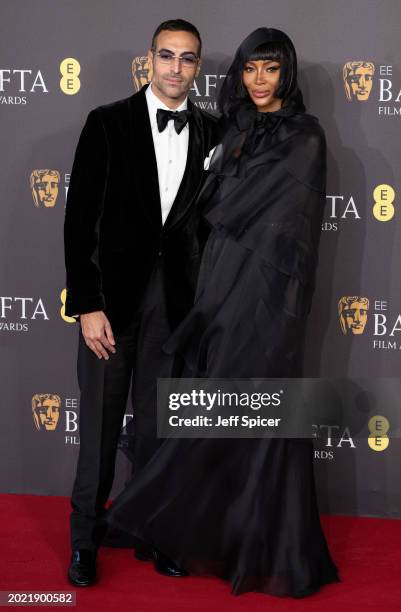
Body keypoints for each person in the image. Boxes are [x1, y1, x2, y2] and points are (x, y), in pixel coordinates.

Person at [105, 27, 339, 598]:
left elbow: (265, 220)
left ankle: (264, 545)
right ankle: (202, 531)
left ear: (287, 74)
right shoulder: (229, 129)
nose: (260, 81)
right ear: (239, 72)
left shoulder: (306, 137)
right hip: (218, 292)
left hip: (268, 300)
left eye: (272, 69)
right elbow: (199, 213)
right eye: (251, 69)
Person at [63, 18, 218, 587]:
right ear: (148, 59)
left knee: (159, 432)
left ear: (198, 68)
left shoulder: (213, 132)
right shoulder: (106, 124)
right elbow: (79, 223)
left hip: (174, 310)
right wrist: (87, 305)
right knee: (100, 436)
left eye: (188, 59)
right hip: (110, 306)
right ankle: (84, 543)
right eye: (168, 56)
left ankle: (156, 535)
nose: (177, 68)